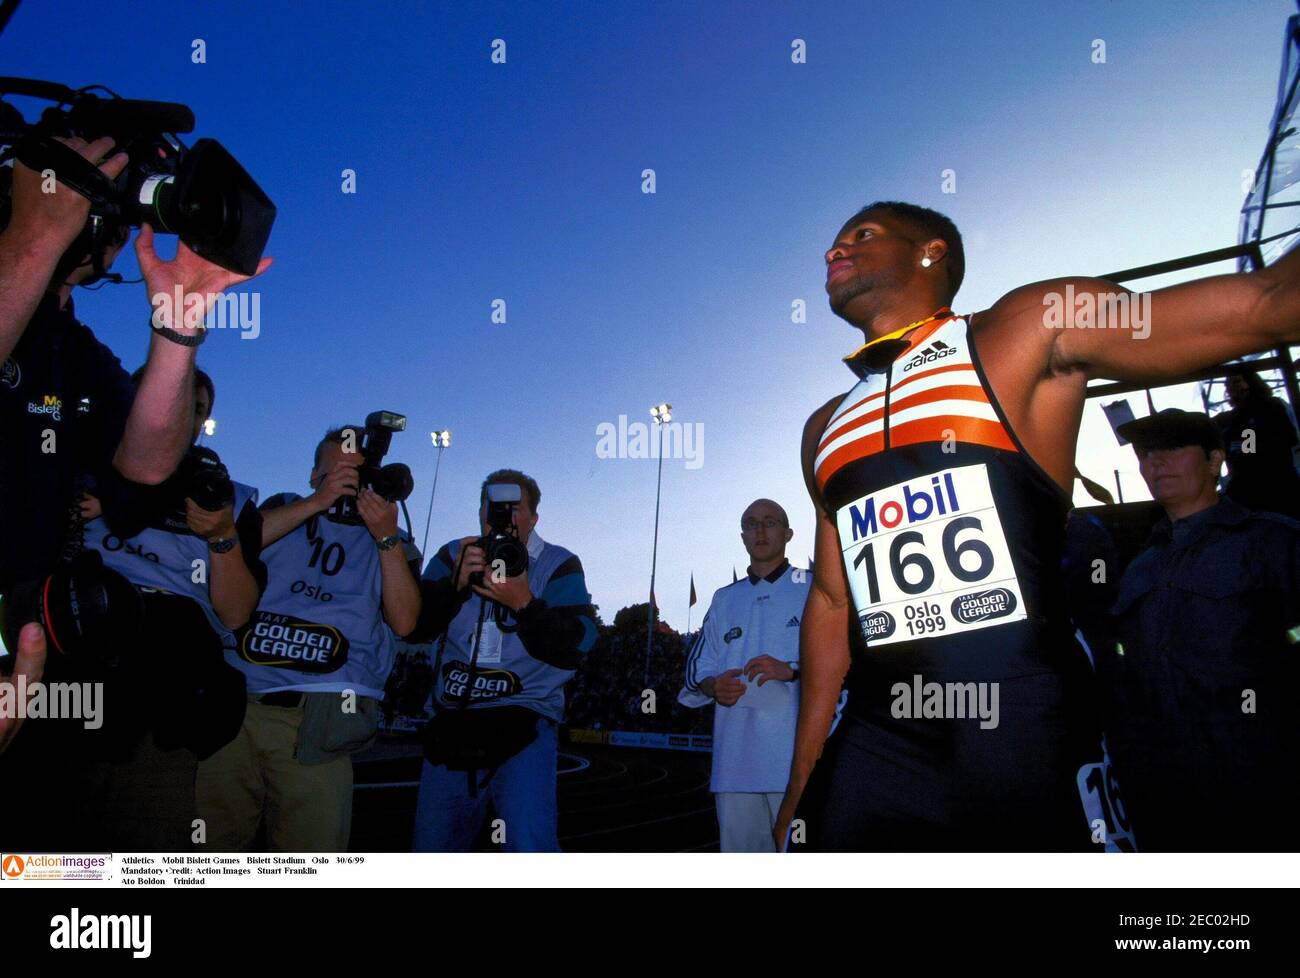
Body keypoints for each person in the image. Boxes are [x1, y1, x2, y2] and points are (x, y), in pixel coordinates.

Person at [779, 199, 1300, 852]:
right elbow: (831, 601)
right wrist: (802, 776)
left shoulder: (1024, 330)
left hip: (1025, 723)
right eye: (832, 241)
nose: (834, 251)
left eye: (862, 234)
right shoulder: (822, 429)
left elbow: (1265, 305)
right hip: (881, 733)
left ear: (929, 252)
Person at [0, 135, 269, 849]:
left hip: (37, 655)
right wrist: (32, 241)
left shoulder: (74, 348)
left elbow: (147, 465)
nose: (111, 241)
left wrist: (178, 331)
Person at [194, 426, 421, 852]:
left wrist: (386, 538)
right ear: (313, 473)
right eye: (335, 473)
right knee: (207, 852)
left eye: (354, 474)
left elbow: (406, 621)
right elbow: (227, 544)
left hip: (321, 716)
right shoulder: (282, 509)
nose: (345, 484)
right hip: (238, 707)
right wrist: (316, 503)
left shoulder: (391, 538)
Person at [72, 367, 265, 850]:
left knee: (146, 844)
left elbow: (237, 614)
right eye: (169, 400)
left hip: (168, 691)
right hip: (74, 666)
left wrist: (222, 538)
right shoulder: (81, 468)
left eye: (195, 409)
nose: (182, 416)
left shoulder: (230, 500)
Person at [1099, 408, 1300, 851]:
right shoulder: (1138, 568)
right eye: (1147, 452)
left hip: (1267, 783)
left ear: (1215, 461)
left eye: (1173, 448)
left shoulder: (1274, 544)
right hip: (1171, 794)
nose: (1156, 462)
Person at [409, 469, 596, 852]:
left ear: (534, 518)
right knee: (431, 849)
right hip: (452, 720)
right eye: (493, 506)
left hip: (524, 722)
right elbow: (413, 626)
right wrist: (453, 588)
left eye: (515, 508)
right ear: (480, 511)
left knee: (529, 846)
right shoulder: (454, 554)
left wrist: (525, 605)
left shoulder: (558, 563)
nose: (503, 516)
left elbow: (578, 645)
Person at [678, 499, 809, 852]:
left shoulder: (812, 588)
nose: (760, 530)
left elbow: (844, 662)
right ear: (742, 537)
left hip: (797, 760)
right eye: (751, 524)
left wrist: (793, 671)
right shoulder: (724, 599)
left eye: (770, 522)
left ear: (788, 533)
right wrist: (712, 685)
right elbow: (698, 667)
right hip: (735, 763)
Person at [1212, 368, 1300, 518]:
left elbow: (1287, 440)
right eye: (1227, 384)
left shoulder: (1272, 407)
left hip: (1278, 488)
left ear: (1251, 382)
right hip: (1248, 495)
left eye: (1236, 382)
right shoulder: (1226, 420)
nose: (1230, 388)